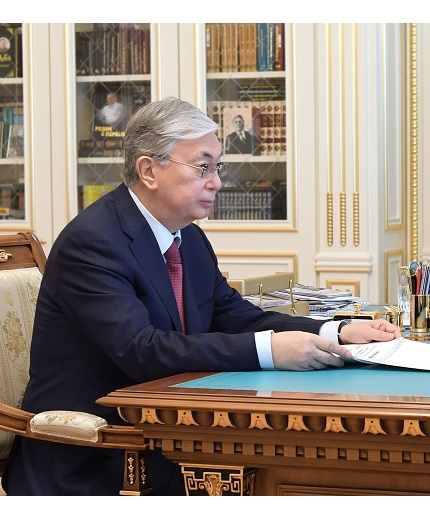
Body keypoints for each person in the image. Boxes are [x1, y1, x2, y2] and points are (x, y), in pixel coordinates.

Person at [2, 96, 401, 495]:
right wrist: (272, 350)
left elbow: (236, 315)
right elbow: (142, 350)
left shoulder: (187, 237)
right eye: (202, 167)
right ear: (148, 170)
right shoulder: (93, 242)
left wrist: (338, 331)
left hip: (172, 437)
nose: (217, 182)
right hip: (99, 458)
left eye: (217, 167)